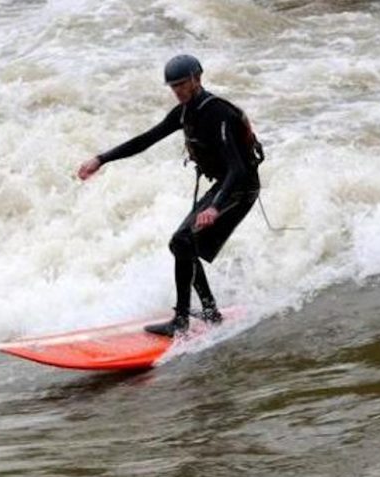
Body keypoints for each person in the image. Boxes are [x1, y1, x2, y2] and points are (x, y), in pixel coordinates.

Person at [77, 54, 263, 337]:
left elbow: (237, 168)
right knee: (181, 246)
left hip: (240, 186)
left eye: (181, 84)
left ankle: (181, 321)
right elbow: (145, 140)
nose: (177, 90)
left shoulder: (218, 113)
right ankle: (211, 313)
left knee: (182, 240)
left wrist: (215, 207)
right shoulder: (184, 113)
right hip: (224, 186)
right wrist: (101, 159)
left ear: (196, 79)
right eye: (173, 86)